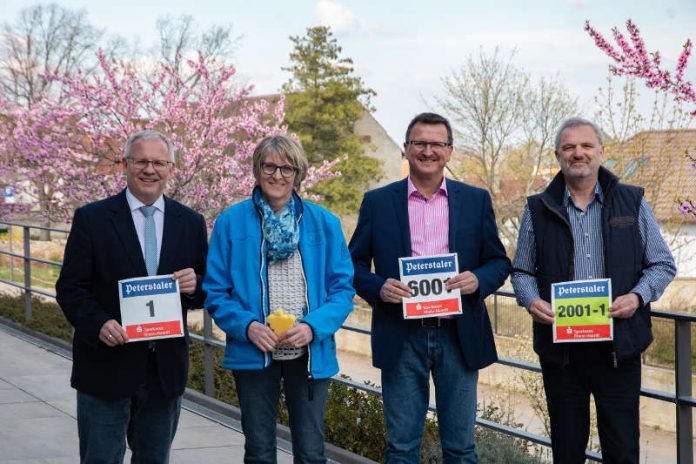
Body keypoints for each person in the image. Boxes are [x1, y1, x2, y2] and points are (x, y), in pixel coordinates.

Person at [511, 117, 676, 463]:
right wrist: (532, 300)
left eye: (586, 146)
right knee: (567, 451)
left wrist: (637, 296)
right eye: (569, 147)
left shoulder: (632, 202)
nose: (578, 153)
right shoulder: (536, 209)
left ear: (601, 151)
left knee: (622, 449)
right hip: (562, 354)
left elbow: (662, 264)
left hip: (618, 349)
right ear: (557, 155)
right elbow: (522, 271)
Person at [349, 112, 511, 463]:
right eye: (419, 143)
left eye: (436, 143)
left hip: (459, 333)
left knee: (461, 447)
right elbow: (353, 265)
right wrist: (379, 288)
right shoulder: (377, 202)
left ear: (450, 151)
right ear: (406, 149)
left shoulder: (475, 200)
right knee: (402, 447)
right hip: (400, 333)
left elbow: (499, 262)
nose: (427, 151)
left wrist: (477, 280)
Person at [56, 130, 208, 463]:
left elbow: (208, 288)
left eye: (158, 162)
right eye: (141, 161)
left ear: (171, 168)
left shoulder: (191, 223)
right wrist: (98, 323)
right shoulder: (92, 219)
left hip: (163, 371)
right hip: (106, 366)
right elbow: (70, 288)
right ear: (125, 164)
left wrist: (196, 285)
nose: (149, 169)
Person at [203, 135, 354, 463]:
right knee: (258, 450)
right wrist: (248, 326)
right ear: (257, 169)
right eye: (269, 166)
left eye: (287, 168)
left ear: (298, 173)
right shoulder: (230, 222)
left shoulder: (325, 223)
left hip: (310, 353)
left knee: (312, 452)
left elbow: (343, 290)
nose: (277, 175)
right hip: (254, 350)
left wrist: (313, 327)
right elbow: (215, 291)